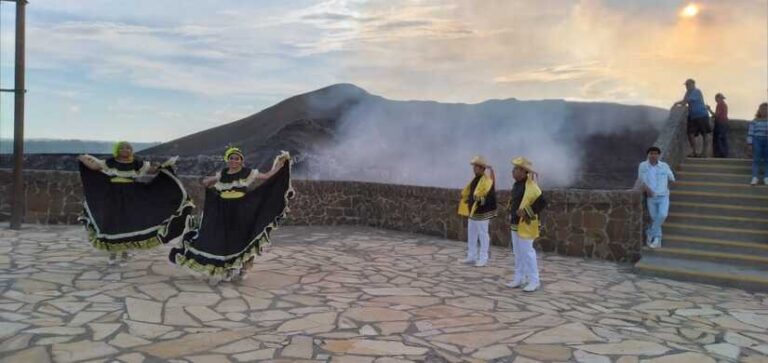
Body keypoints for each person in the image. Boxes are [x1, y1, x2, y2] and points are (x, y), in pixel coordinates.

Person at [169, 147, 294, 285]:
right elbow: (210, 181)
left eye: (237, 158)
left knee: (241, 238)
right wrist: (207, 181)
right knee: (223, 239)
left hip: (240, 210)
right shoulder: (223, 173)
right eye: (231, 158)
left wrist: (280, 164)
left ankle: (244, 268)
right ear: (227, 160)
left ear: (241, 161)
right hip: (223, 211)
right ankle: (227, 268)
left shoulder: (247, 172)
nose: (234, 161)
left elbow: (267, 176)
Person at [78, 141, 194, 266]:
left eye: (128, 148)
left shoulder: (136, 163)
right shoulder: (110, 162)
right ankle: (113, 252)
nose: (125, 150)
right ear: (117, 150)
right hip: (113, 197)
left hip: (132, 197)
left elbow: (152, 170)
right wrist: (83, 158)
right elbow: (95, 166)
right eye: (122, 148)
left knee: (128, 225)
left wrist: (164, 167)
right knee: (113, 224)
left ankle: (124, 253)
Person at [505, 157, 546, 292]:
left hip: (526, 225)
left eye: (516, 169)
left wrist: (526, 212)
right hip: (515, 223)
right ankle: (519, 278)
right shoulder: (516, 185)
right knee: (518, 253)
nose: (513, 171)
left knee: (528, 252)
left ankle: (534, 280)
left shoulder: (532, 186)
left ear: (523, 171)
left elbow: (542, 202)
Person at [457, 155, 497, 267]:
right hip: (473, 211)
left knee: (483, 235)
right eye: (474, 166)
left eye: (476, 166)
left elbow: (490, 197)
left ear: (482, 168)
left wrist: (480, 199)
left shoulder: (487, 181)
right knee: (472, 234)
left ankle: (483, 258)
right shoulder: (475, 180)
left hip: (482, 212)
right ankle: (472, 256)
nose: (474, 168)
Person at [638, 146, 675, 248]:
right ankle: (657, 239)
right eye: (651, 153)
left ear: (659, 155)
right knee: (655, 218)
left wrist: (666, 187)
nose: (653, 155)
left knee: (662, 215)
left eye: (655, 154)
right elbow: (641, 180)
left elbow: (672, 178)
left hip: (663, 196)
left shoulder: (664, 166)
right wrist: (647, 190)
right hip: (651, 196)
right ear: (648, 155)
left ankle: (650, 232)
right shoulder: (643, 166)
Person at [675, 79, 711, 158]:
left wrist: (676, 103)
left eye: (688, 84)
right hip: (693, 116)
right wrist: (680, 103)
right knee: (690, 134)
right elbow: (684, 102)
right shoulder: (688, 93)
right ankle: (694, 151)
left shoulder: (696, 91)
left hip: (702, 115)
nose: (687, 86)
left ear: (693, 84)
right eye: (686, 85)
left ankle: (704, 153)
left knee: (704, 134)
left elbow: (687, 100)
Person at [748, 102, 768, 185]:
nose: (764, 111)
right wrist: (750, 144)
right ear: (759, 110)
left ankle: (766, 177)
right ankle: (755, 177)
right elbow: (750, 132)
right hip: (757, 141)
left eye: (765, 109)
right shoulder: (754, 121)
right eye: (762, 109)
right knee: (756, 159)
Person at [707, 93, 729, 158]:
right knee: (723, 139)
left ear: (718, 98)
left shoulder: (720, 104)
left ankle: (721, 154)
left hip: (720, 123)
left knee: (719, 138)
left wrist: (709, 109)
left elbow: (716, 115)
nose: (716, 100)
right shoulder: (724, 104)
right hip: (724, 122)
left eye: (716, 98)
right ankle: (724, 154)